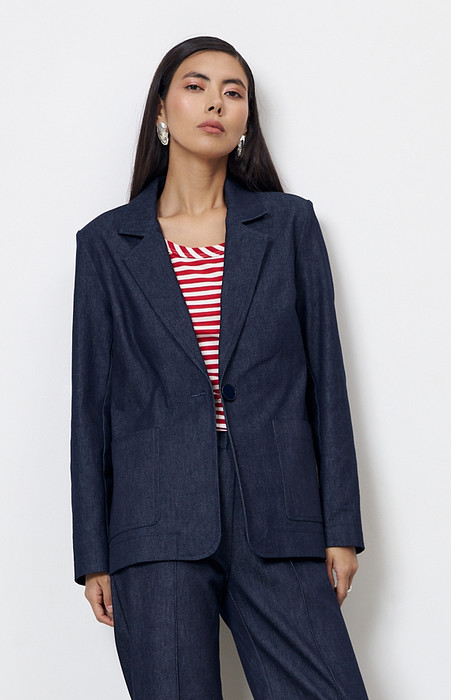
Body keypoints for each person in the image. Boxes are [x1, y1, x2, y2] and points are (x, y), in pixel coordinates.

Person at [70, 35, 369, 699]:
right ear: (161, 110)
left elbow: (328, 382)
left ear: (245, 122)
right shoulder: (107, 245)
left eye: (234, 93)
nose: (216, 102)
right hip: (155, 520)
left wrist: (340, 527)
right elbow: (90, 407)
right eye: (196, 86)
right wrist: (93, 553)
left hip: (279, 511)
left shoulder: (289, 226)